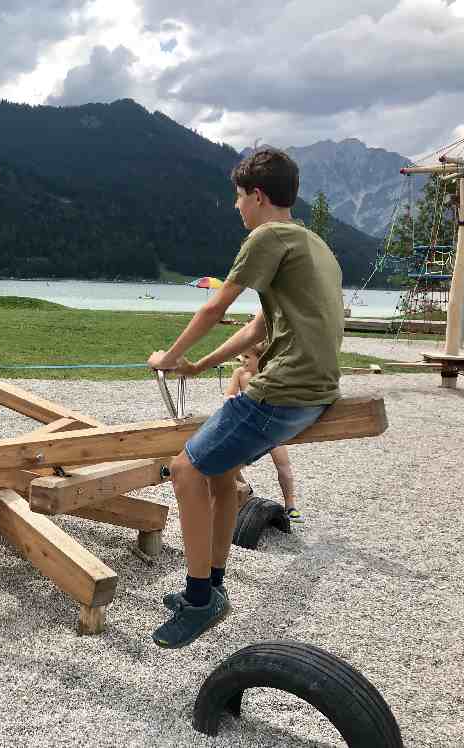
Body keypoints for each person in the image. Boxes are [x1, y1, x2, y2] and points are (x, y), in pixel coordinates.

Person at [146, 147, 343, 648]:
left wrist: (169, 356)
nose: (235, 206)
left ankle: (199, 600)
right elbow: (260, 323)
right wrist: (201, 365)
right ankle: (213, 583)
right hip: (315, 390)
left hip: (284, 389)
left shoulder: (267, 236)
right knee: (219, 476)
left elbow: (217, 307)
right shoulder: (313, 244)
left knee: (186, 470)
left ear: (257, 196)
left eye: (238, 197)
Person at [226, 342, 303, 523]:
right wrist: (233, 400)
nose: (243, 361)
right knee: (230, 460)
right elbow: (229, 394)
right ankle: (245, 487)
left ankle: (290, 505)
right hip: (249, 427)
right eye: (242, 356)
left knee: (283, 466)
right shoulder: (240, 374)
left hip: (271, 428)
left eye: (247, 357)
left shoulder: (271, 376)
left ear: (262, 359)